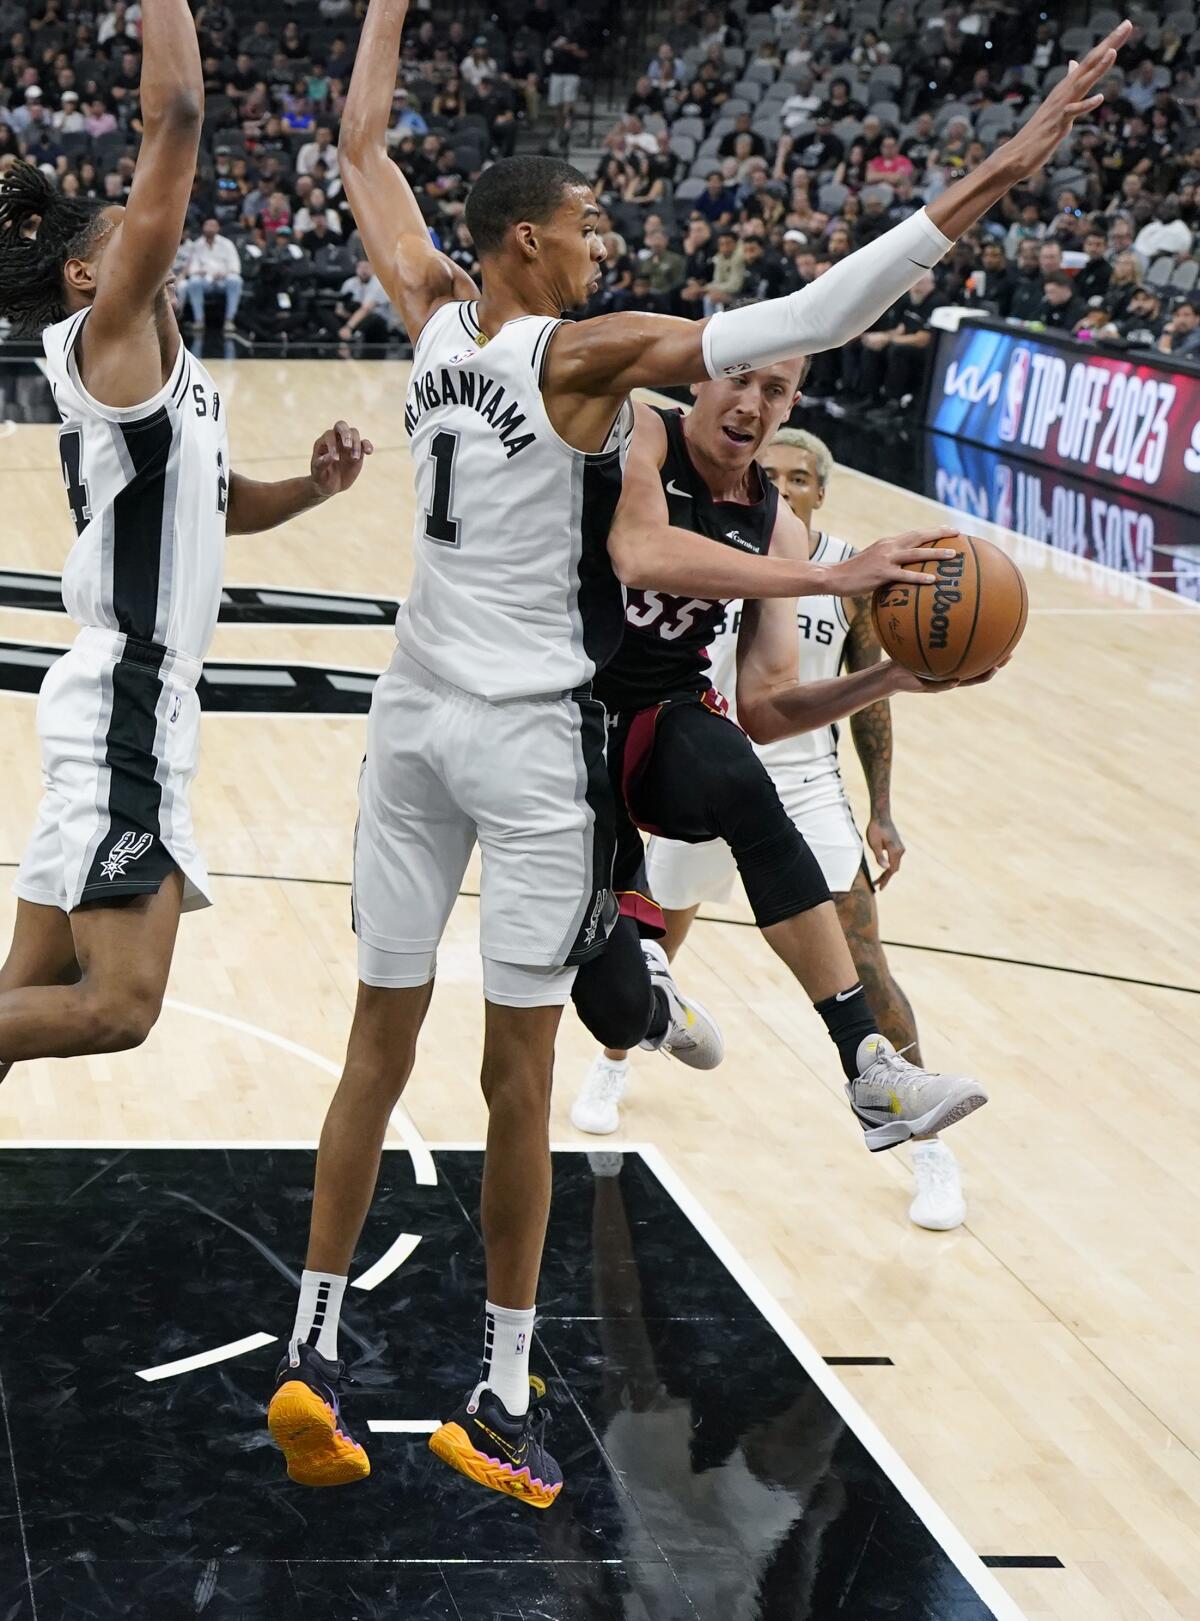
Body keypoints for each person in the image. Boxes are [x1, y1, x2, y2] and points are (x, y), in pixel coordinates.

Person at [264, 0, 1129, 1507]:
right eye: (587, 223)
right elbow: (811, 316)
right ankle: (500, 1390)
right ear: (529, 244)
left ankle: (312, 1345)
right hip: (530, 738)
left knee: (370, 1046)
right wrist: (998, 169)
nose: (603, 240)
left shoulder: (431, 307)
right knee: (516, 1074)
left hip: (405, 725)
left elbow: (356, 143)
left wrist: (389, 10)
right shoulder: (581, 350)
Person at [0, 9, 369, 1097]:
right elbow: (180, 114)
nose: (155, 225)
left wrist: (310, 487)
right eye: (125, 229)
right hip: (127, 697)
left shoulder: (166, 367)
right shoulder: (106, 336)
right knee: (117, 1006)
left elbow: (216, 505)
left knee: (25, 998)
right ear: (83, 277)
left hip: (125, 696)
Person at [572, 428, 967, 1231]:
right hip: (672, 746)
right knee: (647, 963)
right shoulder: (697, 512)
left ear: (819, 490)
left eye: (796, 476)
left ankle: (911, 1118)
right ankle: (630, 1041)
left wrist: (881, 793)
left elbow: (828, 700)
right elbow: (643, 560)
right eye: (772, 473)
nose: (777, 480)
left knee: (863, 955)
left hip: (790, 773)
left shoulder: (856, 573)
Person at [184, 216, 243, 335]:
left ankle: (229, 320)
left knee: (235, 280)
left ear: (218, 228)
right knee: (193, 282)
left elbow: (235, 266)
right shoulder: (197, 245)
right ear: (203, 228)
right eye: (207, 225)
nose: (209, 228)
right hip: (205, 281)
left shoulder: (227, 244)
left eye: (212, 226)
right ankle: (199, 320)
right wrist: (198, 272)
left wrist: (225, 273)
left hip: (223, 280)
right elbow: (192, 268)